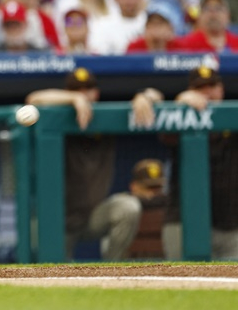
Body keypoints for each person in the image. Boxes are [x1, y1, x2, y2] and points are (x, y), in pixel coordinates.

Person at [25, 68, 161, 260]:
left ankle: (113, 270)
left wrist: (144, 97)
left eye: (88, 89)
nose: (84, 94)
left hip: (93, 215)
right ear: (67, 91)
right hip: (56, 217)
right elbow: (34, 98)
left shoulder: (106, 115)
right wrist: (74, 99)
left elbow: (157, 94)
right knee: (51, 272)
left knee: (128, 207)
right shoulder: (58, 113)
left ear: (96, 92)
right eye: (77, 89)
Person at [163, 66, 238, 260]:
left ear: (221, 89)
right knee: (181, 285)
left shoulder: (232, 117)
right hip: (183, 222)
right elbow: (165, 134)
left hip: (231, 226)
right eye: (200, 88)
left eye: (212, 86)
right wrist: (178, 105)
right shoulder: (178, 115)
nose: (207, 93)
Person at [171, 0, 238, 52]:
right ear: (200, 16)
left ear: (228, 15)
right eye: (207, 8)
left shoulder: (236, 42)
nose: (213, 13)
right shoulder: (185, 44)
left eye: (219, 8)